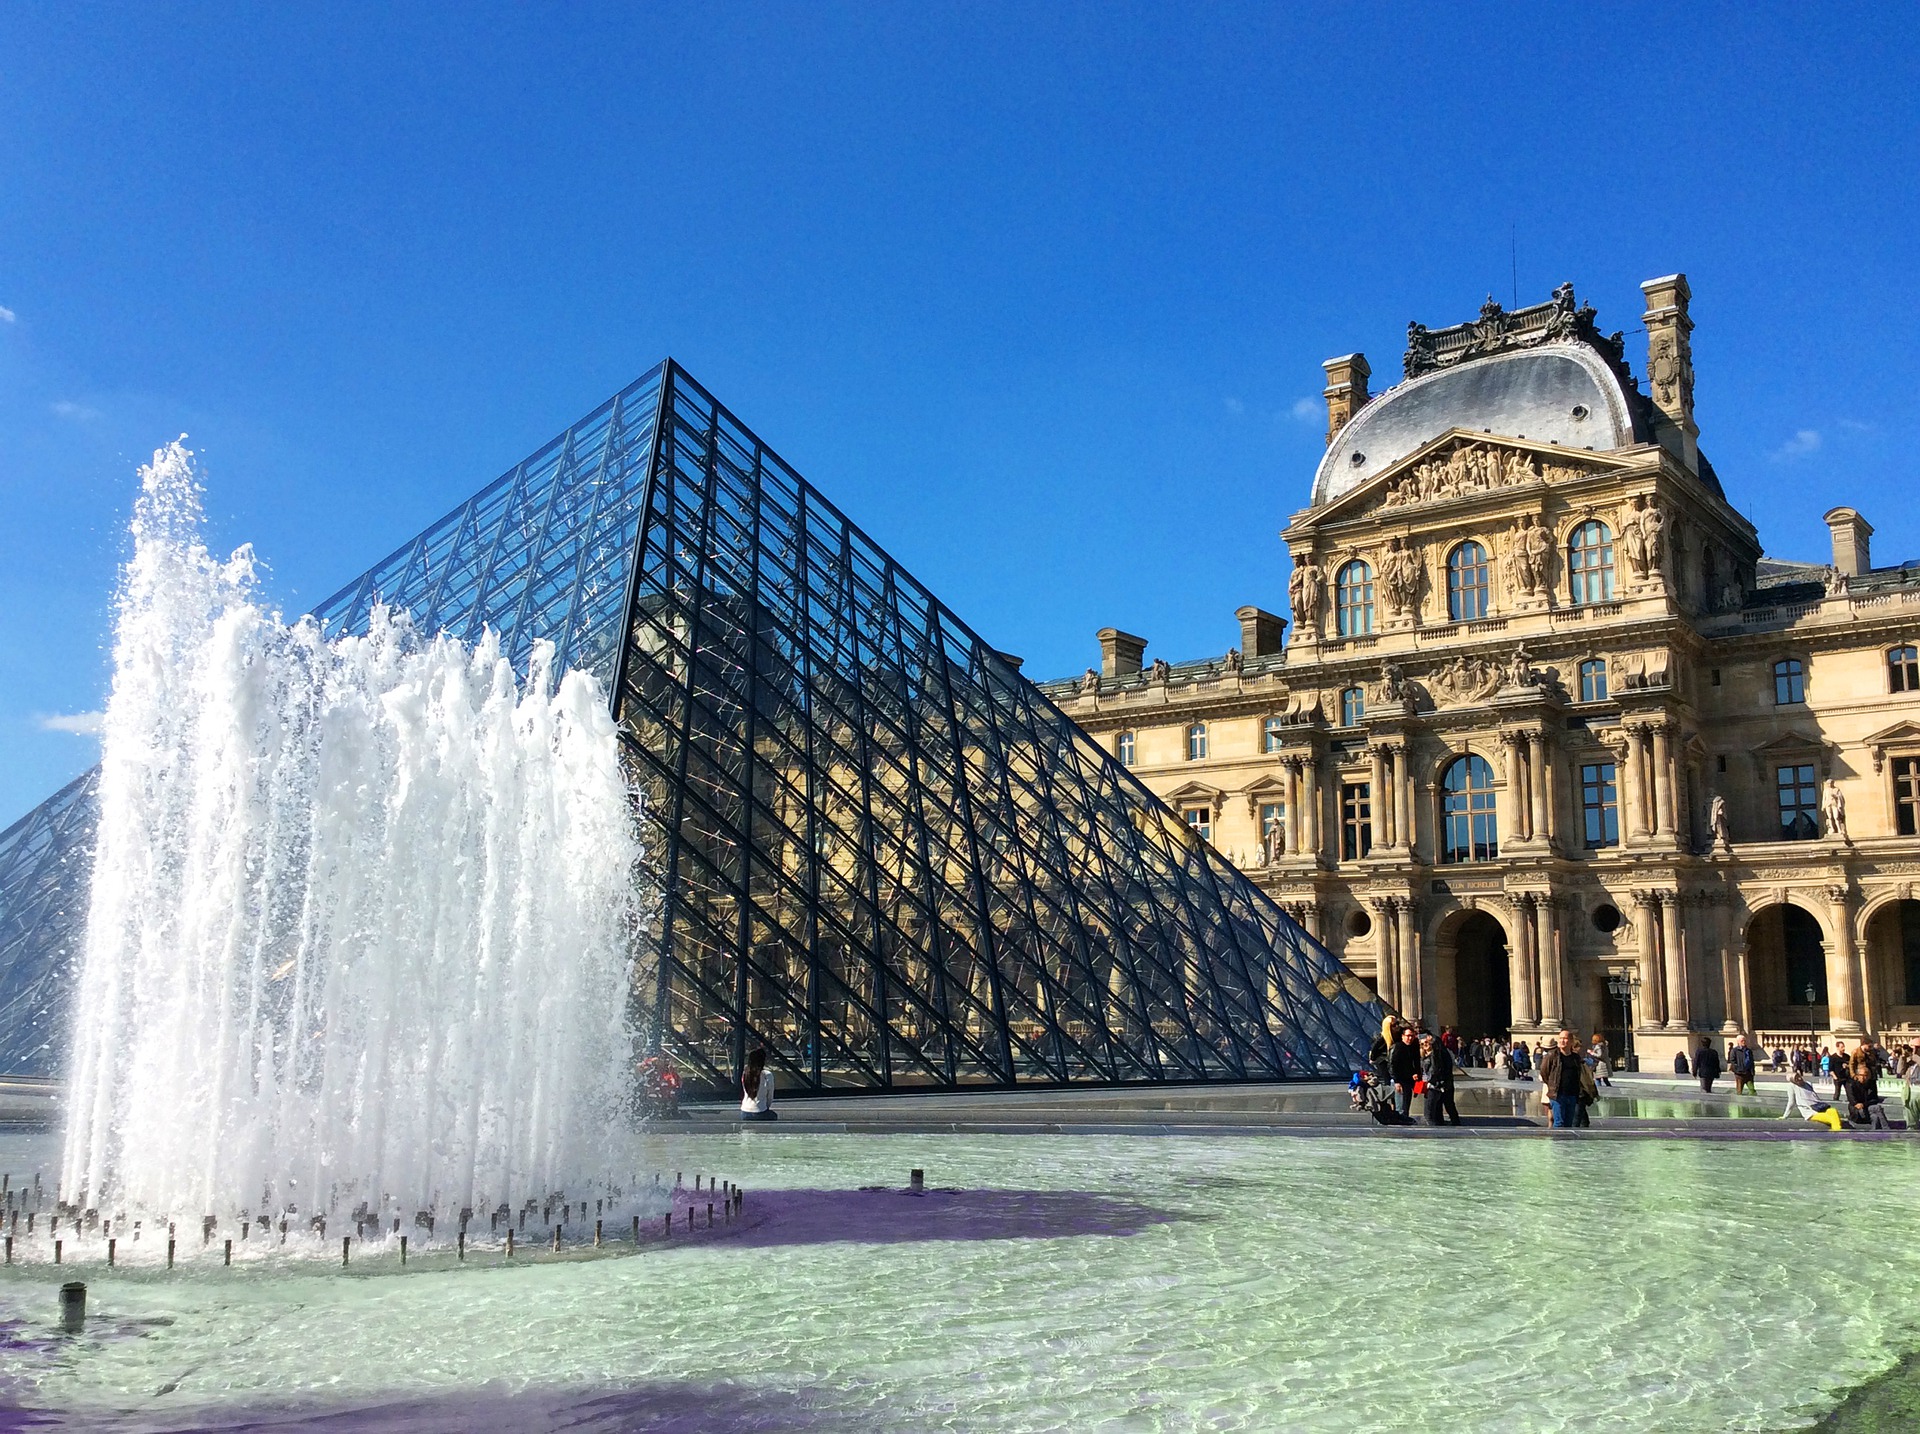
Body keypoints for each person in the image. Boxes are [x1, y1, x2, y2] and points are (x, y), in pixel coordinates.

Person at [1539, 1028, 1594, 1130]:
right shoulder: (1552, 1056)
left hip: (1572, 1094)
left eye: (1565, 1038)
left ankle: (1567, 1145)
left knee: (1569, 1124)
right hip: (1557, 1094)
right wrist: (1552, 1084)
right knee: (1559, 1123)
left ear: (1571, 1042)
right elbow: (1544, 1072)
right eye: (1560, 1038)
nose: (1562, 1041)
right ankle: (1558, 1145)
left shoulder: (1575, 1058)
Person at [1421, 1032, 1461, 1127]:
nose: (1424, 1045)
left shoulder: (1437, 1055)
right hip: (1443, 1083)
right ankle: (1448, 1121)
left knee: (1439, 1106)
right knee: (1443, 1105)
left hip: (1439, 1083)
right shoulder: (1438, 1053)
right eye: (1422, 1044)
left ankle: (1447, 1122)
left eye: (1427, 1042)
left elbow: (1435, 1070)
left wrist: (1430, 1081)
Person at [1389, 1024, 1422, 1117]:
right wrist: (1396, 1081)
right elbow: (1392, 1065)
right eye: (1408, 1036)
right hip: (1400, 1080)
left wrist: (1417, 1077)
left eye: (1412, 1036)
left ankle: (1405, 1119)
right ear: (1403, 1036)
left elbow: (1416, 1064)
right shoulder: (1398, 1047)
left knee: (1406, 1105)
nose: (1410, 1038)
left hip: (1409, 1080)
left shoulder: (1414, 1047)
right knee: (1400, 1106)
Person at [739, 1046, 777, 1122]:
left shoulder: (745, 1073)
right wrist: (766, 1107)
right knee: (774, 1116)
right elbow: (770, 1096)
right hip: (760, 1111)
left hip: (744, 1111)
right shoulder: (767, 1075)